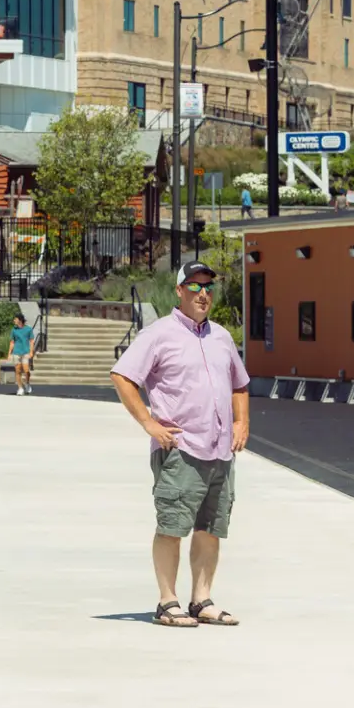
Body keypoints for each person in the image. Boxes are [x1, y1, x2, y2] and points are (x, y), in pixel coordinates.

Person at [111, 261, 249, 629]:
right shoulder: (158, 334)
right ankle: (167, 601)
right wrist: (148, 423)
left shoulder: (221, 337)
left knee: (210, 528)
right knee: (172, 526)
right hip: (181, 450)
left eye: (208, 287)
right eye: (195, 286)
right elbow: (123, 376)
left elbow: (239, 384)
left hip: (220, 450)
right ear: (179, 291)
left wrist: (241, 422)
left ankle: (202, 600)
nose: (203, 293)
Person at [7, 314, 36, 397]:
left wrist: (31, 352)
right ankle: (20, 388)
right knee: (18, 370)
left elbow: (31, 341)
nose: (14, 320)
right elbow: (12, 342)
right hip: (16, 352)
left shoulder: (28, 329)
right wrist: (9, 353)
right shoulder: (14, 330)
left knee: (26, 371)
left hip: (26, 352)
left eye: (15, 319)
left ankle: (27, 383)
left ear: (20, 320)